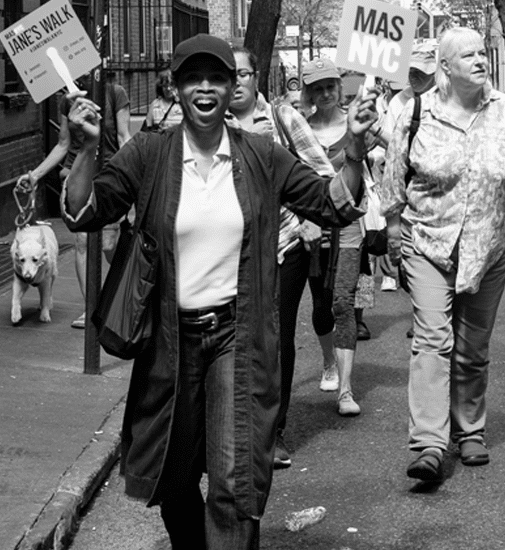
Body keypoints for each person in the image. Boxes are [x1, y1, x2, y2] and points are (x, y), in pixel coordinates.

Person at [62, 34, 377, 548]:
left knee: (235, 482)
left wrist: (357, 151)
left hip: (237, 337)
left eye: (217, 78)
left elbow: (331, 203)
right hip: (170, 342)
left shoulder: (260, 155)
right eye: (193, 78)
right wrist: (86, 147)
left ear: (232, 88)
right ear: (177, 89)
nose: (205, 88)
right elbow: (84, 212)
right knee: (173, 475)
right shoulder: (150, 153)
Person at [381, 27, 505, 481]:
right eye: (466, 55)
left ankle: (470, 430)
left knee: (473, 348)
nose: (479, 60)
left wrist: (497, 211)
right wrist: (394, 231)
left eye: (481, 52)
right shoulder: (417, 112)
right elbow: (394, 176)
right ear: (444, 67)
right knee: (433, 339)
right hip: (428, 241)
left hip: (489, 250)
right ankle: (429, 443)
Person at [226, 46, 337, 469]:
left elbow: (322, 173)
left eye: (243, 73)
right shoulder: (208, 123)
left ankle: (272, 433)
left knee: (275, 339)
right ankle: (233, 425)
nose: (236, 82)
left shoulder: (282, 118)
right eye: (228, 74)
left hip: (281, 246)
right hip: (228, 253)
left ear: (257, 78)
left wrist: (309, 218)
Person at [16, 72, 131, 328]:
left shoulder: (115, 92)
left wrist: (139, 173)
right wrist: (35, 175)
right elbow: (63, 144)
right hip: (78, 174)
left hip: (111, 176)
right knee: (82, 241)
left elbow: (124, 137)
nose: (81, 74)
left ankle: (125, 291)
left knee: (111, 244)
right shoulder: (66, 101)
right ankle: (93, 309)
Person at [302, 57, 375, 416]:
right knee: (320, 306)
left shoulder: (353, 124)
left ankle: (345, 390)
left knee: (342, 303)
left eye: (330, 86)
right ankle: (328, 360)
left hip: (347, 224)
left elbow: (390, 145)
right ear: (309, 93)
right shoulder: (298, 130)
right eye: (318, 88)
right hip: (312, 225)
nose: (326, 93)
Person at [376, 42, 439, 292]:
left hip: (430, 193)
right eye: (411, 71)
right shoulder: (394, 103)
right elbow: (392, 154)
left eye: (421, 72)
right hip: (392, 190)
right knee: (403, 255)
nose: (414, 76)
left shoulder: (444, 99)